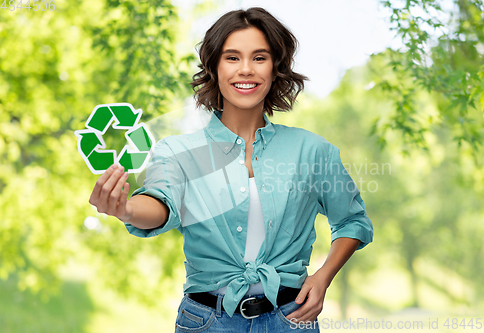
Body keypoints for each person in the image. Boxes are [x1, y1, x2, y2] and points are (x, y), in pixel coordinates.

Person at [89, 7, 373, 332]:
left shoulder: (312, 151)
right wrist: (124, 208)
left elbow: (352, 220)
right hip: (207, 321)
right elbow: (160, 204)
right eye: (233, 58)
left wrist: (323, 277)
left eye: (260, 58)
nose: (246, 70)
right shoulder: (178, 152)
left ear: (276, 67)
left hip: (291, 319)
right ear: (215, 67)